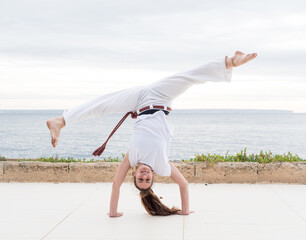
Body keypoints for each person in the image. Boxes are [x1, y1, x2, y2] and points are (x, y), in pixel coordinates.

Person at [47, 51, 257, 217]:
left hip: (138, 101)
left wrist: (113, 212)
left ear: (135, 174)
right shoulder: (162, 164)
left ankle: (61, 121)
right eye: (147, 180)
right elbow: (183, 184)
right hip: (160, 97)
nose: (145, 177)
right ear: (153, 175)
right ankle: (230, 62)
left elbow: (115, 185)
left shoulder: (132, 158)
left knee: (104, 104)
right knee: (188, 78)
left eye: (141, 179)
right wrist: (184, 210)